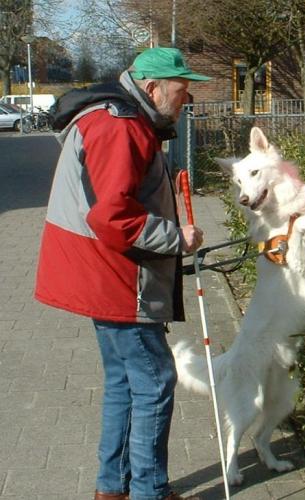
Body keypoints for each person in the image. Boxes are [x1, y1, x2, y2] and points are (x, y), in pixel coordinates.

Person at [35, 47, 209, 500]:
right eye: (181, 88)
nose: (186, 98)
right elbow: (113, 218)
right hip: (115, 279)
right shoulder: (121, 126)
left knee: (124, 381)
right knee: (154, 380)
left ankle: (112, 488)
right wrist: (177, 238)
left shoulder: (116, 117)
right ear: (152, 88)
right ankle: (149, 490)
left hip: (97, 273)